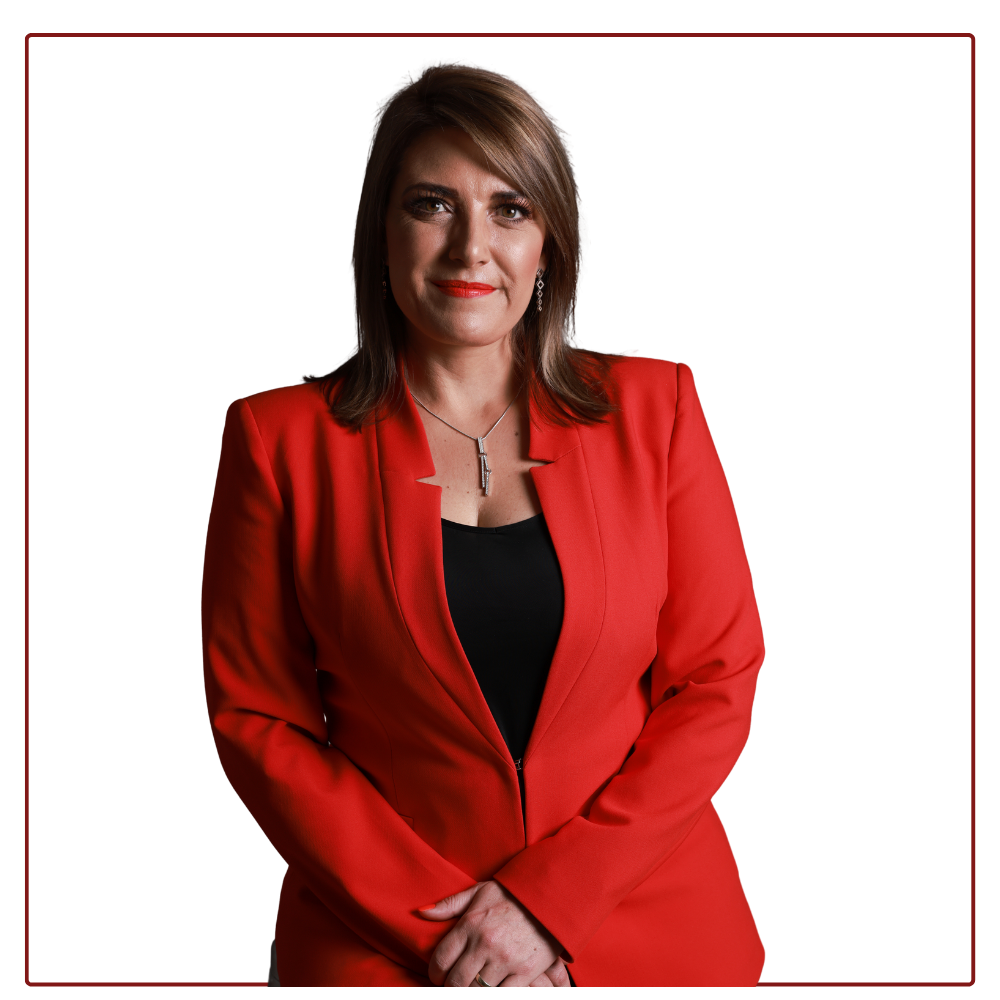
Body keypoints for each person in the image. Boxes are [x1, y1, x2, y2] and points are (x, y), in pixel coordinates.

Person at [202, 63, 766, 988]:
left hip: (651, 935)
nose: (473, 246)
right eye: (432, 204)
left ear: (550, 241)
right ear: (379, 234)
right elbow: (260, 718)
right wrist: (455, 932)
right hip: (388, 944)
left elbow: (716, 679)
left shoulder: (654, 408)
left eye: (510, 208)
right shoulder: (275, 440)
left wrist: (551, 904)